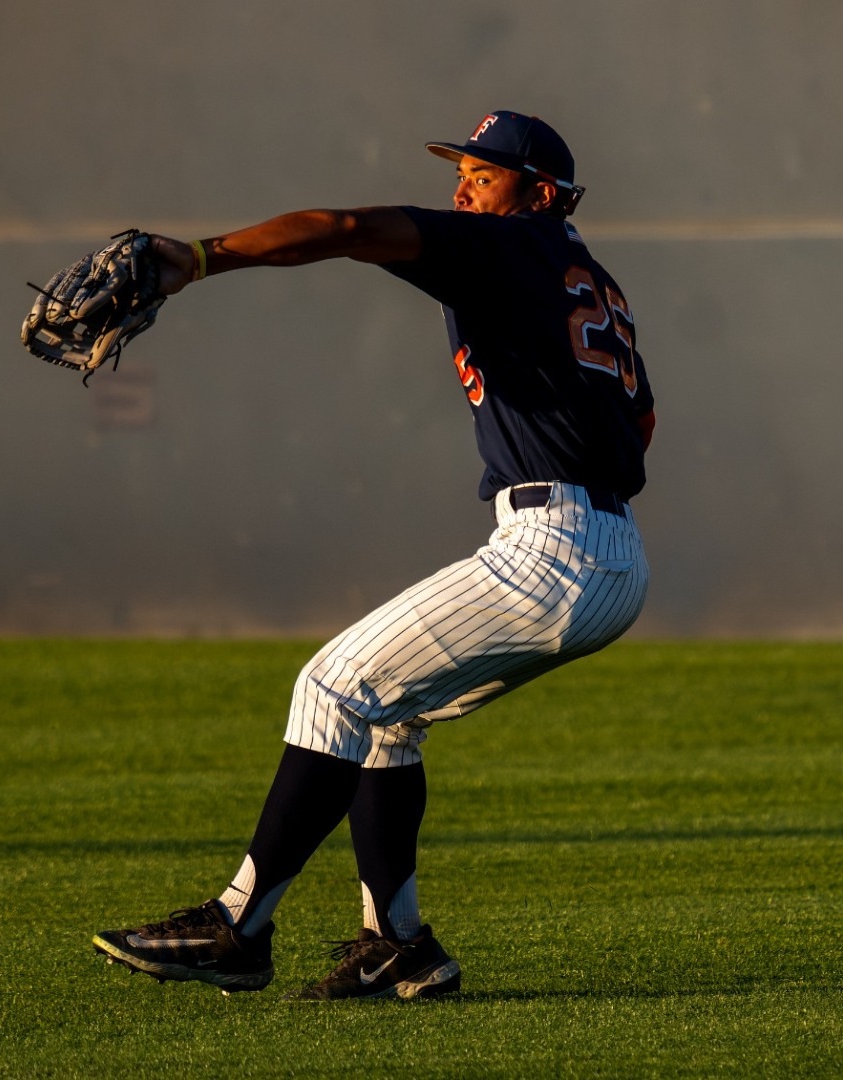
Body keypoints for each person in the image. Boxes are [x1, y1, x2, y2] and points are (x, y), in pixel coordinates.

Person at [92, 110, 655, 1001]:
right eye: (461, 169)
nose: (465, 185)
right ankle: (398, 944)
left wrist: (195, 258)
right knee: (387, 719)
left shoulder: (508, 245)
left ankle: (239, 925)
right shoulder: (587, 280)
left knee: (332, 687)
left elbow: (347, 230)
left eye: (486, 171)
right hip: (611, 549)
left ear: (539, 194)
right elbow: (641, 423)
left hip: (556, 545)